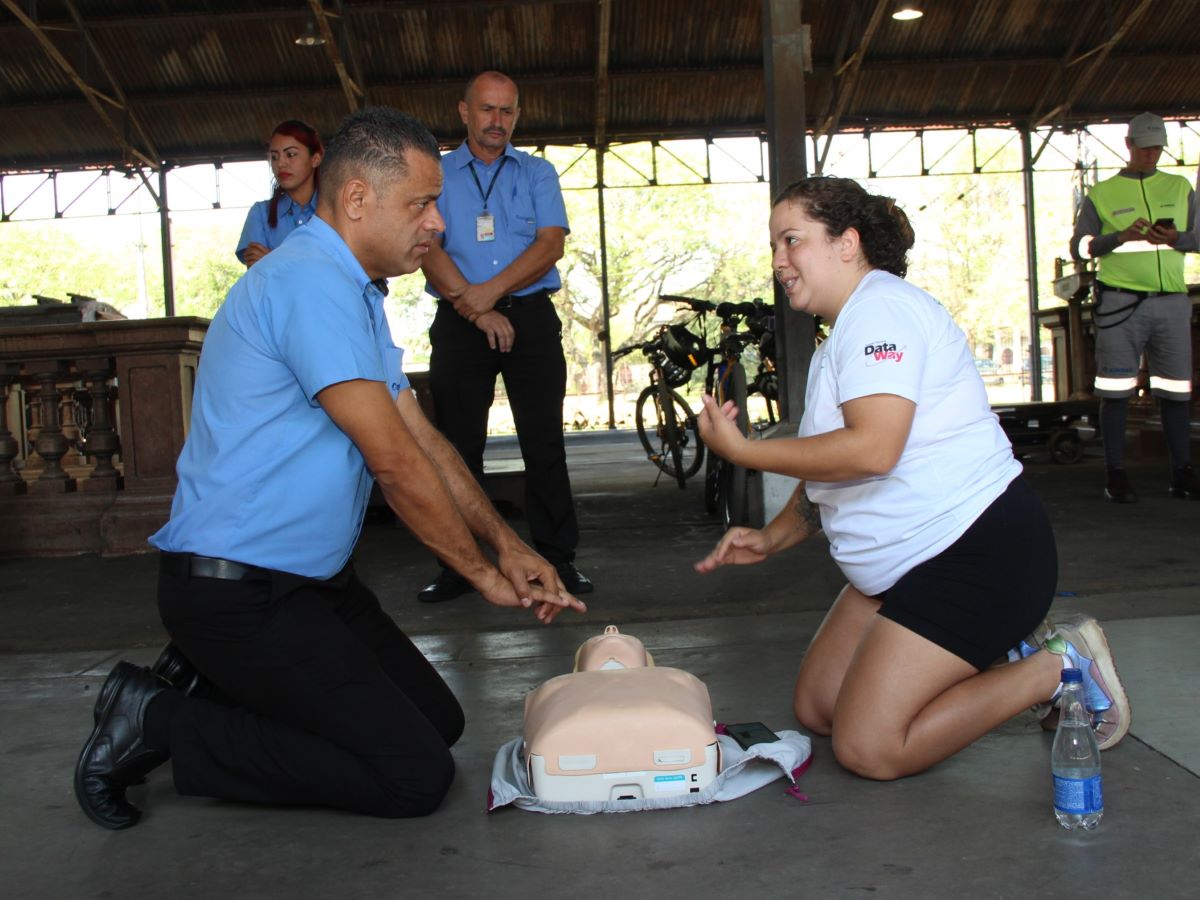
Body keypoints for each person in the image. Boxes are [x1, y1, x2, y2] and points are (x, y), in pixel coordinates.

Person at [73, 107, 587, 831]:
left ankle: (214, 681)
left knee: (436, 720)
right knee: (413, 776)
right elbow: (395, 464)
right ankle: (156, 719)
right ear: (356, 200)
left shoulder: (353, 292)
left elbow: (426, 440)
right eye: (421, 203)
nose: (437, 223)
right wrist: (480, 575)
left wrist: (510, 544)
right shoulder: (308, 283)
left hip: (312, 584)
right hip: (238, 592)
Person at [694, 176, 1130, 781]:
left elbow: (872, 451)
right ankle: (995, 654)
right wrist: (771, 537)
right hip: (909, 565)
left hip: (978, 555)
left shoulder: (882, 310)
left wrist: (745, 452)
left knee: (870, 747)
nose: (778, 262)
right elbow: (836, 467)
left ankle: (1056, 667)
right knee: (819, 706)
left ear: (847, 244)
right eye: (774, 246)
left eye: (791, 240)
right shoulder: (843, 334)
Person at [416, 70, 593, 602]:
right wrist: (474, 311)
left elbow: (550, 244)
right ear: (464, 111)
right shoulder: (438, 175)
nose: (497, 121)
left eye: (507, 111)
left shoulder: (538, 173)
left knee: (544, 444)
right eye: (487, 110)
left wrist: (486, 295)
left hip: (530, 318)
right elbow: (428, 247)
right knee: (457, 448)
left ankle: (558, 559)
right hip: (459, 321)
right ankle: (459, 567)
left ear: (517, 115)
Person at [1070, 111, 1199, 503]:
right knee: (1116, 391)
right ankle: (1117, 474)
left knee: (1176, 392)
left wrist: (1178, 237)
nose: (1151, 155)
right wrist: (1118, 237)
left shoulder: (1180, 188)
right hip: (1121, 304)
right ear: (1129, 145)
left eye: (1157, 148)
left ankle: (1182, 474)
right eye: (1144, 149)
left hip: (1172, 304)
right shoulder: (1102, 193)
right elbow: (1078, 247)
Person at [235, 120, 323, 267]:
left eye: (291, 154)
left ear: (315, 159)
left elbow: (344, 272)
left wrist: (274, 260)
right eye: (274, 157)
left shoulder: (337, 212)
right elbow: (259, 275)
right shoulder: (260, 214)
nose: (280, 163)